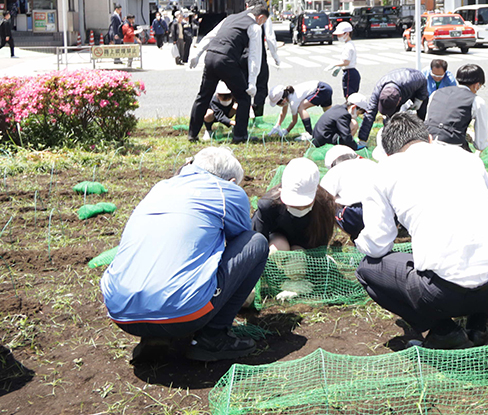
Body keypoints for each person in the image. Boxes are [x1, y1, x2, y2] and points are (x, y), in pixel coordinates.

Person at [356, 113, 488, 349]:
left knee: (366, 270)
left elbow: (378, 244)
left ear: (389, 153)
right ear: (430, 139)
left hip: (445, 295)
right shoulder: (466, 157)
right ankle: (477, 326)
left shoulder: (384, 170)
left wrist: (359, 241)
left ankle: (444, 330)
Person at [100, 147, 268, 363]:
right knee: (255, 243)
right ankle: (214, 337)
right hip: (182, 315)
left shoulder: (160, 187)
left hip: (121, 313)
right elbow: (240, 240)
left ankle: (152, 338)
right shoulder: (227, 191)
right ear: (232, 181)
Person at [252, 158, 337, 301]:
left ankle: (296, 279)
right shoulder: (268, 205)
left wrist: (310, 266)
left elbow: (320, 246)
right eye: (293, 204)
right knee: (277, 249)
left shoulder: (325, 205)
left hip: (305, 246)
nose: (299, 208)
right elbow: (256, 242)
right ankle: (279, 275)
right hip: (278, 241)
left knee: (296, 260)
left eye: (304, 204)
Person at [187, 2, 270, 143]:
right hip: (227, 60)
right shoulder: (254, 27)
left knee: (203, 96)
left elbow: (210, 36)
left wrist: (197, 54)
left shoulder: (230, 18)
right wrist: (252, 82)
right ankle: (240, 136)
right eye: (263, 22)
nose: (262, 25)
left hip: (211, 56)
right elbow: (254, 57)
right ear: (260, 17)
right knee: (244, 97)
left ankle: (192, 134)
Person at [424, 63, 488, 152]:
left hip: (426, 142)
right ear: (477, 85)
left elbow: (428, 120)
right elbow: (481, 143)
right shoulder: (476, 101)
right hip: (452, 145)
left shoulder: (436, 93)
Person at [355, 68, 429, 144]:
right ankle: (390, 140)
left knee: (422, 114)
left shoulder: (413, 80)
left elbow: (423, 80)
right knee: (390, 119)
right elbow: (370, 114)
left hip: (415, 89)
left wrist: (420, 99)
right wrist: (362, 139)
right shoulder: (378, 91)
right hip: (398, 89)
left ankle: (423, 137)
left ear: (399, 101)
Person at [321, 144, 377, 241]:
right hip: (384, 212)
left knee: (329, 205)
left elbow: (323, 199)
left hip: (357, 215)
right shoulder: (371, 164)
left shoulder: (334, 172)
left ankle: (355, 236)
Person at [244, 0, 281, 117]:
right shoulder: (263, 16)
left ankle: (243, 116)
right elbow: (270, 37)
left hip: (242, 56)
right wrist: (276, 57)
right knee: (261, 87)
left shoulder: (241, 16)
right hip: (259, 55)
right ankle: (258, 116)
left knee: (244, 86)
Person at [268, 80, 334, 141]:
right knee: (328, 112)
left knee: (301, 108)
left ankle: (310, 134)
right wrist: (278, 125)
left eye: (277, 103)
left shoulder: (293, 102)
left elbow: (294, 121)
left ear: (283, 100)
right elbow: (283, 112)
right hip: (325, 87)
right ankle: (334, 128)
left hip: (321, 90)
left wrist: (286, 131)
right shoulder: (289, 93)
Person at [329, 22, 360, 98]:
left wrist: (335, 65)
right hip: (351, 72)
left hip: (349, 73)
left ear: (347, 33)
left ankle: (350, 110)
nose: (338, 37)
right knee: (351, 96)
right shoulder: (349, 44)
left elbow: (346, 62)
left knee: (349, 97)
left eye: (340, 35)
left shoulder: (348, 46)